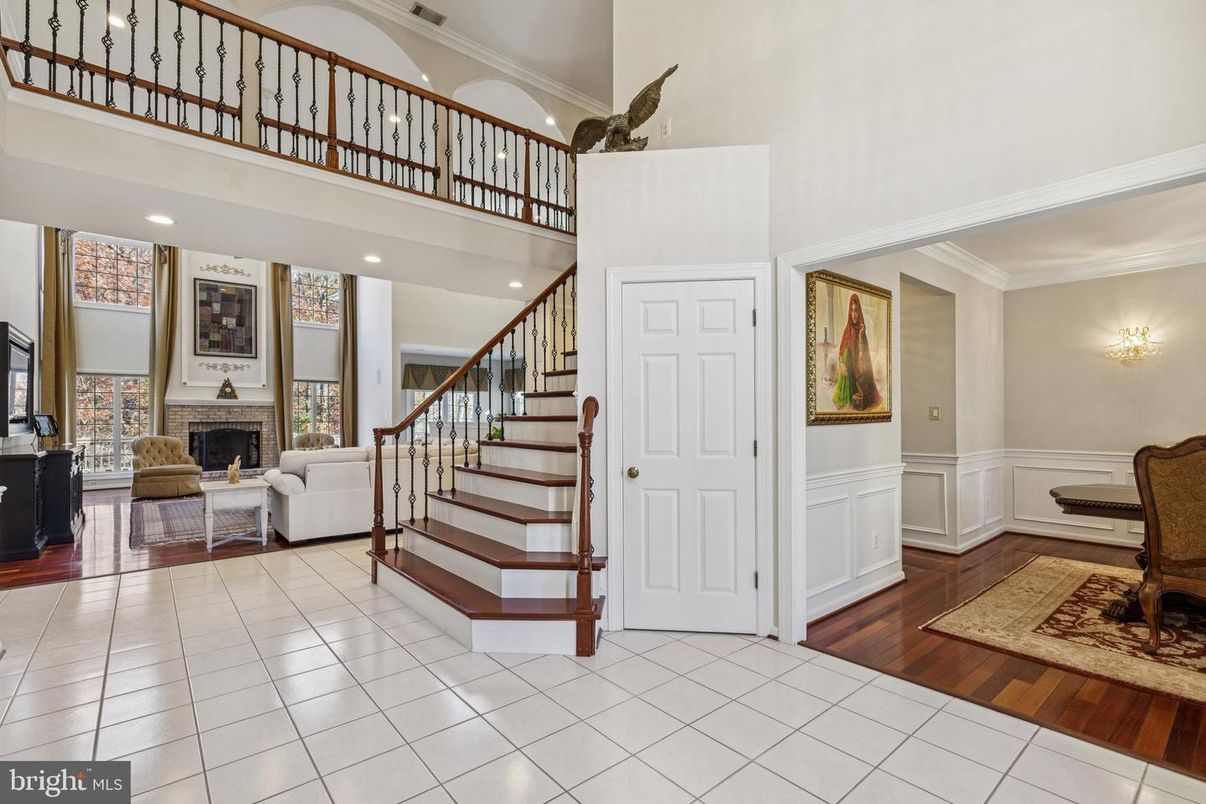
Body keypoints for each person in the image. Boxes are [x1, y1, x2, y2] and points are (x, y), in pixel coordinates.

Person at [831, 293, 882, 411]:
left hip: (859, 369)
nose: (854, 314)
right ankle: (843, 397)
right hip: (848, 370)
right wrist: (841, 363)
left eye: (856, 311)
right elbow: (842, 349)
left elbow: (862, 353)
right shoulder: (847, 329)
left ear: (859, 313)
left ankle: (857, 395)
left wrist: (861, 335)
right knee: (846, 354)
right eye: (852, 311)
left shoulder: (862, 330)